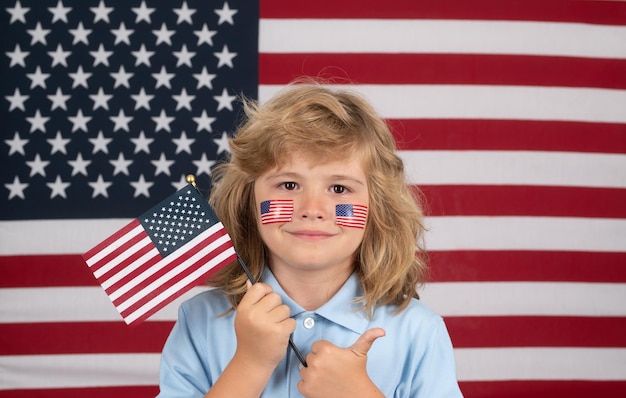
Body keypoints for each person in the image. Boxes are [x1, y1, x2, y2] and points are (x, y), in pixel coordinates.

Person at [157, 81, 463, 397]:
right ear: (248, 200)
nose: (312, 209)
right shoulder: (200, 321)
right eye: (289, 185)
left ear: (376, 206)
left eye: (339, 189)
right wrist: (250, 364)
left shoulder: (418, 331)